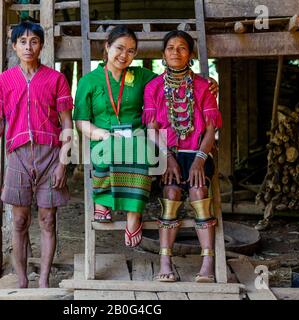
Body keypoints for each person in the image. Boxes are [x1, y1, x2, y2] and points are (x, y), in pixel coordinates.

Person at [74, 26, 219, 249]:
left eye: (131, 51)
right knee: (114, 146)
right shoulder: (89, 81)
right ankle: (103, 200)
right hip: (103, 139)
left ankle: (134, 215)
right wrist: (100, 133)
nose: (124, 55)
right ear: (107, 47)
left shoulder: (141, 76)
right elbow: (80, 120)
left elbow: (172, 79)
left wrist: (207, 83)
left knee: (140, 148)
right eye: (119, 48)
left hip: (138, 139)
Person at [0, 21, 73, 288]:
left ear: (41, 46)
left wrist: (63, 163)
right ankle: (22, 281)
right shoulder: (4, 80)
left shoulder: (56, 79)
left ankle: (44, 280)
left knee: (48, 219)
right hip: (19, 156)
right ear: (14, 46)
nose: (28, 46)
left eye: (34, 41)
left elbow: (67, 124)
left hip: (51, 156)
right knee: (20, 221)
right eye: (22, 41)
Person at [143, 30, 222, 283]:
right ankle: (165, 261)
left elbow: (211, 130)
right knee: (171, 194)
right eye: (170, 48)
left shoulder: (202, 86)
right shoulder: (153, 87)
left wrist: (200, 159)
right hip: (168, 153)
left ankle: (207, 262)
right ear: (163, 54)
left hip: (198, 152)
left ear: (190, 54)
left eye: (182, 48)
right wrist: (166, 157)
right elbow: (151, 130)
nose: (175, 52)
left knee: (199, 191)